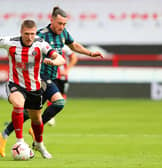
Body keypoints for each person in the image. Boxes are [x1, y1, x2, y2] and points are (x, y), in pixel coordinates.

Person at [0, 6, 103, 157]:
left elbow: (73, 46)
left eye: (64, 24)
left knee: (38, 111)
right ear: (51, 21)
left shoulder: (63, 34)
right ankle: (15, 137)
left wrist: (89, 53)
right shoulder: (39, 36)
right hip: (38, 78)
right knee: (23, 106)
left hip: (49, 78)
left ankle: (11, 133)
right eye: (59, 23)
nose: (62, 27)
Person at [0, 19, 65, 159]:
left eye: (32, 34)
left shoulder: (40, 44)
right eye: (26, 34)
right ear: (21, 32)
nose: (30, 37)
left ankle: (39, 144)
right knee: (18, 104)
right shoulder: (9, 42)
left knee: (36, 120)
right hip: (15, 84)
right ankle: (20, 141)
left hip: (34, 88)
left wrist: (54, 62)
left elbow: (61, 59)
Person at [47, 45, 78, 126]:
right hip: (49, 76)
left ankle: (51, 115)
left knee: (61, 97)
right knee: (50, 95)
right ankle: (50, 117)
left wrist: (67, 70)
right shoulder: (45, 45)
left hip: (62, 77)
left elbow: (74, 57)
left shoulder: (63, 46)